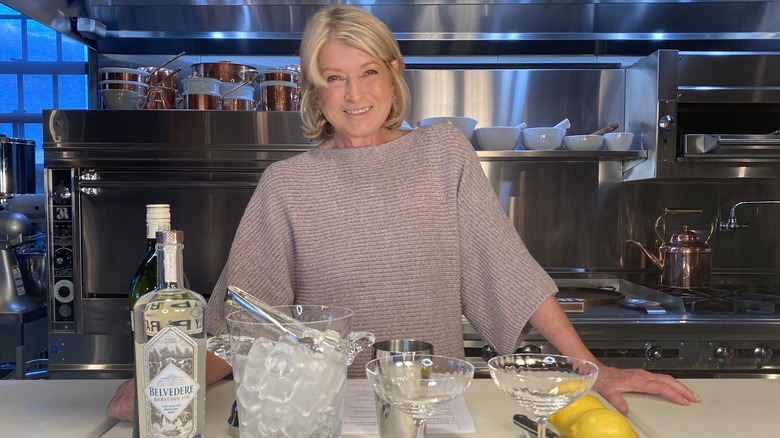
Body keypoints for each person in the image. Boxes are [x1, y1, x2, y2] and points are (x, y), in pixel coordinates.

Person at [108, 4, 698, 423]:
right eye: (332, 78)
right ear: (314, 94)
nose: (354, 93)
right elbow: (246, 320)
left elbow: (507, 269)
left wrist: (590, 368)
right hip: (329, 412)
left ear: (395, 73)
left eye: (369, 71)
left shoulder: (444, 153)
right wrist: (167, 377)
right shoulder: (286, 184)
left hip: (433, 406)